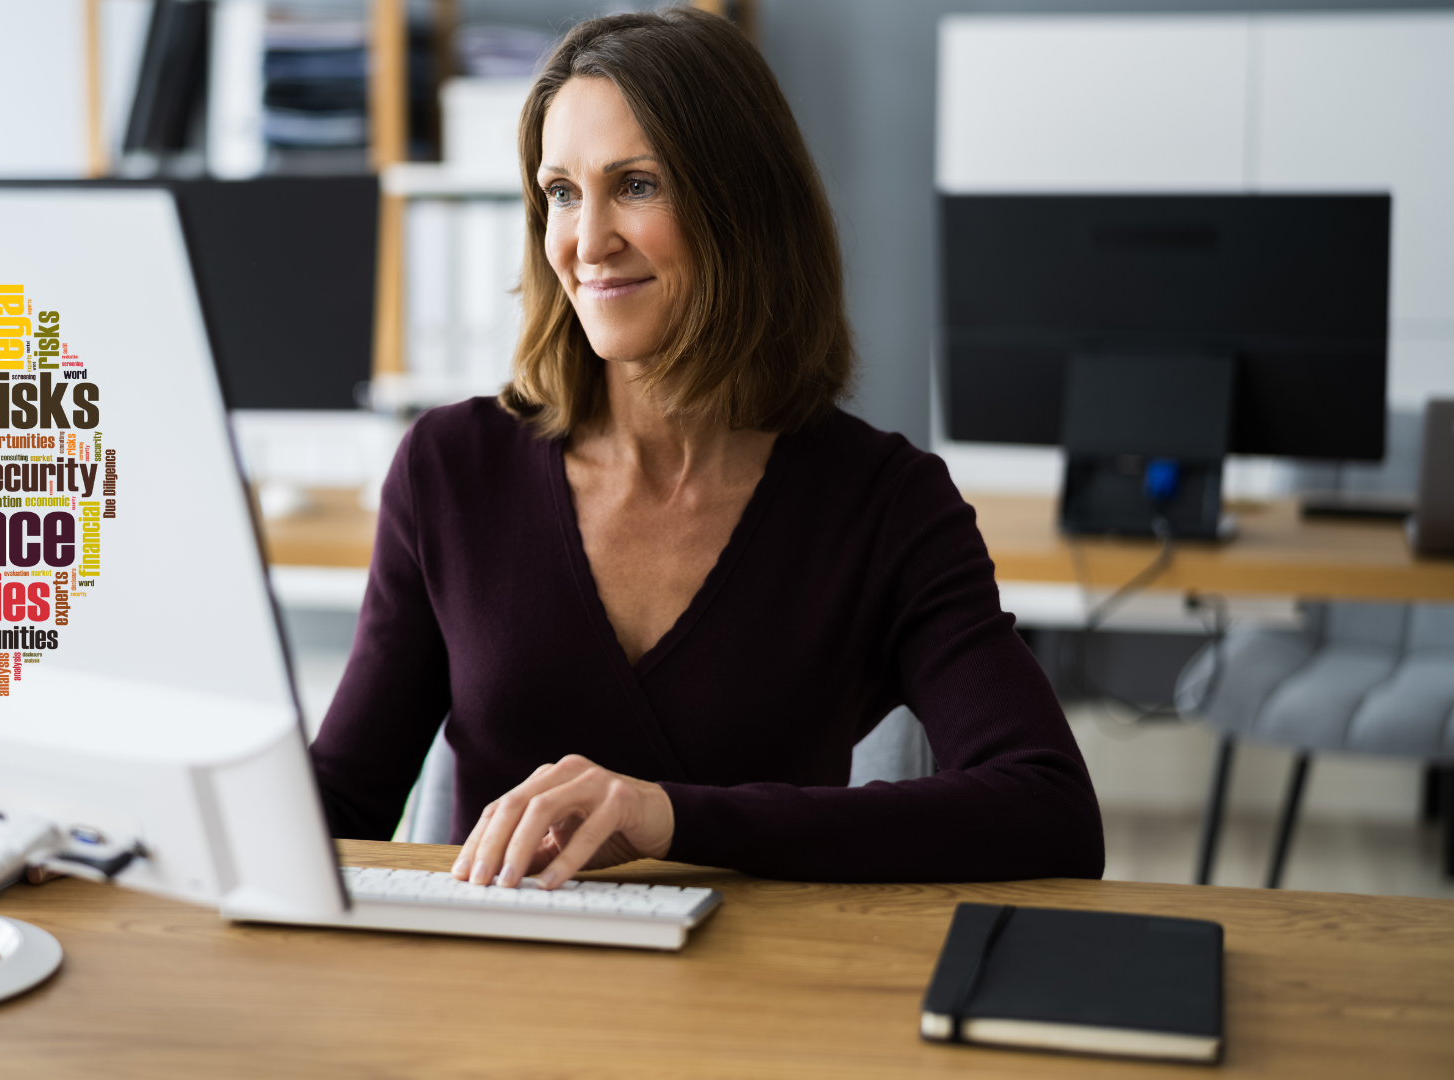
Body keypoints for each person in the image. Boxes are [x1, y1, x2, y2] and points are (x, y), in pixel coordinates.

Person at [309, 7, 1105, 891]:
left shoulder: (884, 503)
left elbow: (1049, 812)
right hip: (499, 1000)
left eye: (637, 185)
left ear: (744, 208)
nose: (587, 240)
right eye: (562, 193)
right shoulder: (451, 469)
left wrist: (672, 817)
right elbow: (342, 801)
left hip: (752, 1005)